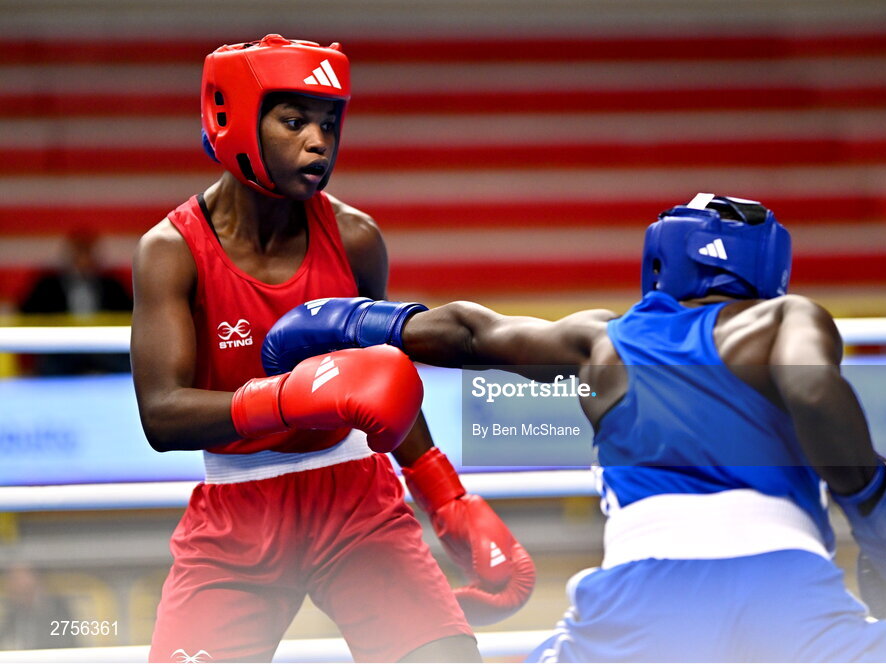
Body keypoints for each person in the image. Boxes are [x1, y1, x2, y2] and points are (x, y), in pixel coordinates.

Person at [262, 193, 886, 662]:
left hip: (639, 597)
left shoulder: (607, 340)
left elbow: (472, 332)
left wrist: (343, 320)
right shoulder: (785, 317)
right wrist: (881, 515)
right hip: (788, 587)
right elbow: (810, 387)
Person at [130, 34, 532, 663]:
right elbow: (160, 414)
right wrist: (288, 400)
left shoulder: (356, 238)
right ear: (233, 119)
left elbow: (385, 385)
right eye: (293, 122)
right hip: (237, 515)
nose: (318, 141)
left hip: (357, 504)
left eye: (329, 122)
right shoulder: (172, 251)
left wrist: (444, 498)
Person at [20, 230, 133, 375]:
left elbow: (130, 314)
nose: (83, 258)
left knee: (127, 370)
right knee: (48, 370)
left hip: (104, 350)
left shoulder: (112, 284)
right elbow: (26, 312)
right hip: (61, 350)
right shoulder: (47, 284)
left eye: (87, 252)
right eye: (79, 252)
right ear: (69, 255)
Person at [0, 563, 78, 650]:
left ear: (35, 577)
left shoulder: (57, 608)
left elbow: (66, 644)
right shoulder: (10, 612)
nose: (11, 584)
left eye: (16, 578)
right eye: (10, 577)